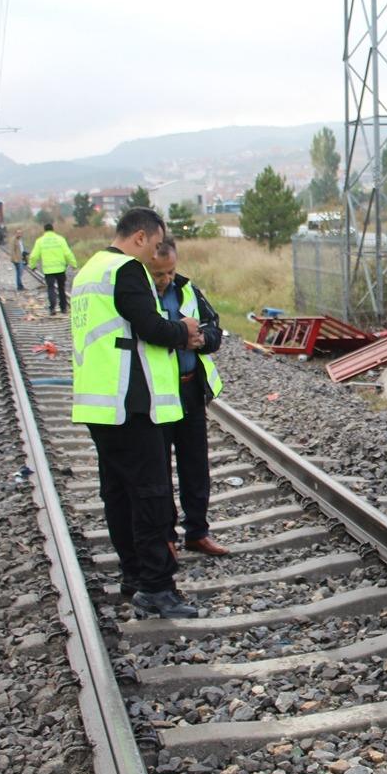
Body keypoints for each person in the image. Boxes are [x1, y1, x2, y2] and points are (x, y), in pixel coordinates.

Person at [71, 207, 206, 619]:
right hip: (131, 401)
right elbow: (149, 326)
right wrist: (184, 331)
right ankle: (156, 587)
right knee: (149, 492)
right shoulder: (126, 269)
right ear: (142, 237)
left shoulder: (88, 270)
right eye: (155, 242)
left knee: (118, 492)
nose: (154, 254)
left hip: (99, 401)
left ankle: (133, 575)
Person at [147, 235, 229, 556]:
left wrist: (200, 340)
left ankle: (197, 531)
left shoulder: (188, 290)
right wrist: (177, 334)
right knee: (158, 469)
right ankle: (166, 535)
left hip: (190, 387)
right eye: (159, 274)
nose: (165, 279)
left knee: (195, 466)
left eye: (170, 272)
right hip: (157, 393)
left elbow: (214, 328)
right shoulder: (138, 295)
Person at [28, 222, 78, 315]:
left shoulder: (40, 241)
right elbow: (67, 253)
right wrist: (74, 264)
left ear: (45, 230)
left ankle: (52, 308)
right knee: (61, 288)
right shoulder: (60, 239)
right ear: (53, 230)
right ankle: (63, 308)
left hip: (48, 270)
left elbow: (34, 256)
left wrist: (32, 265)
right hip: (60, 269)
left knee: (51, 288)